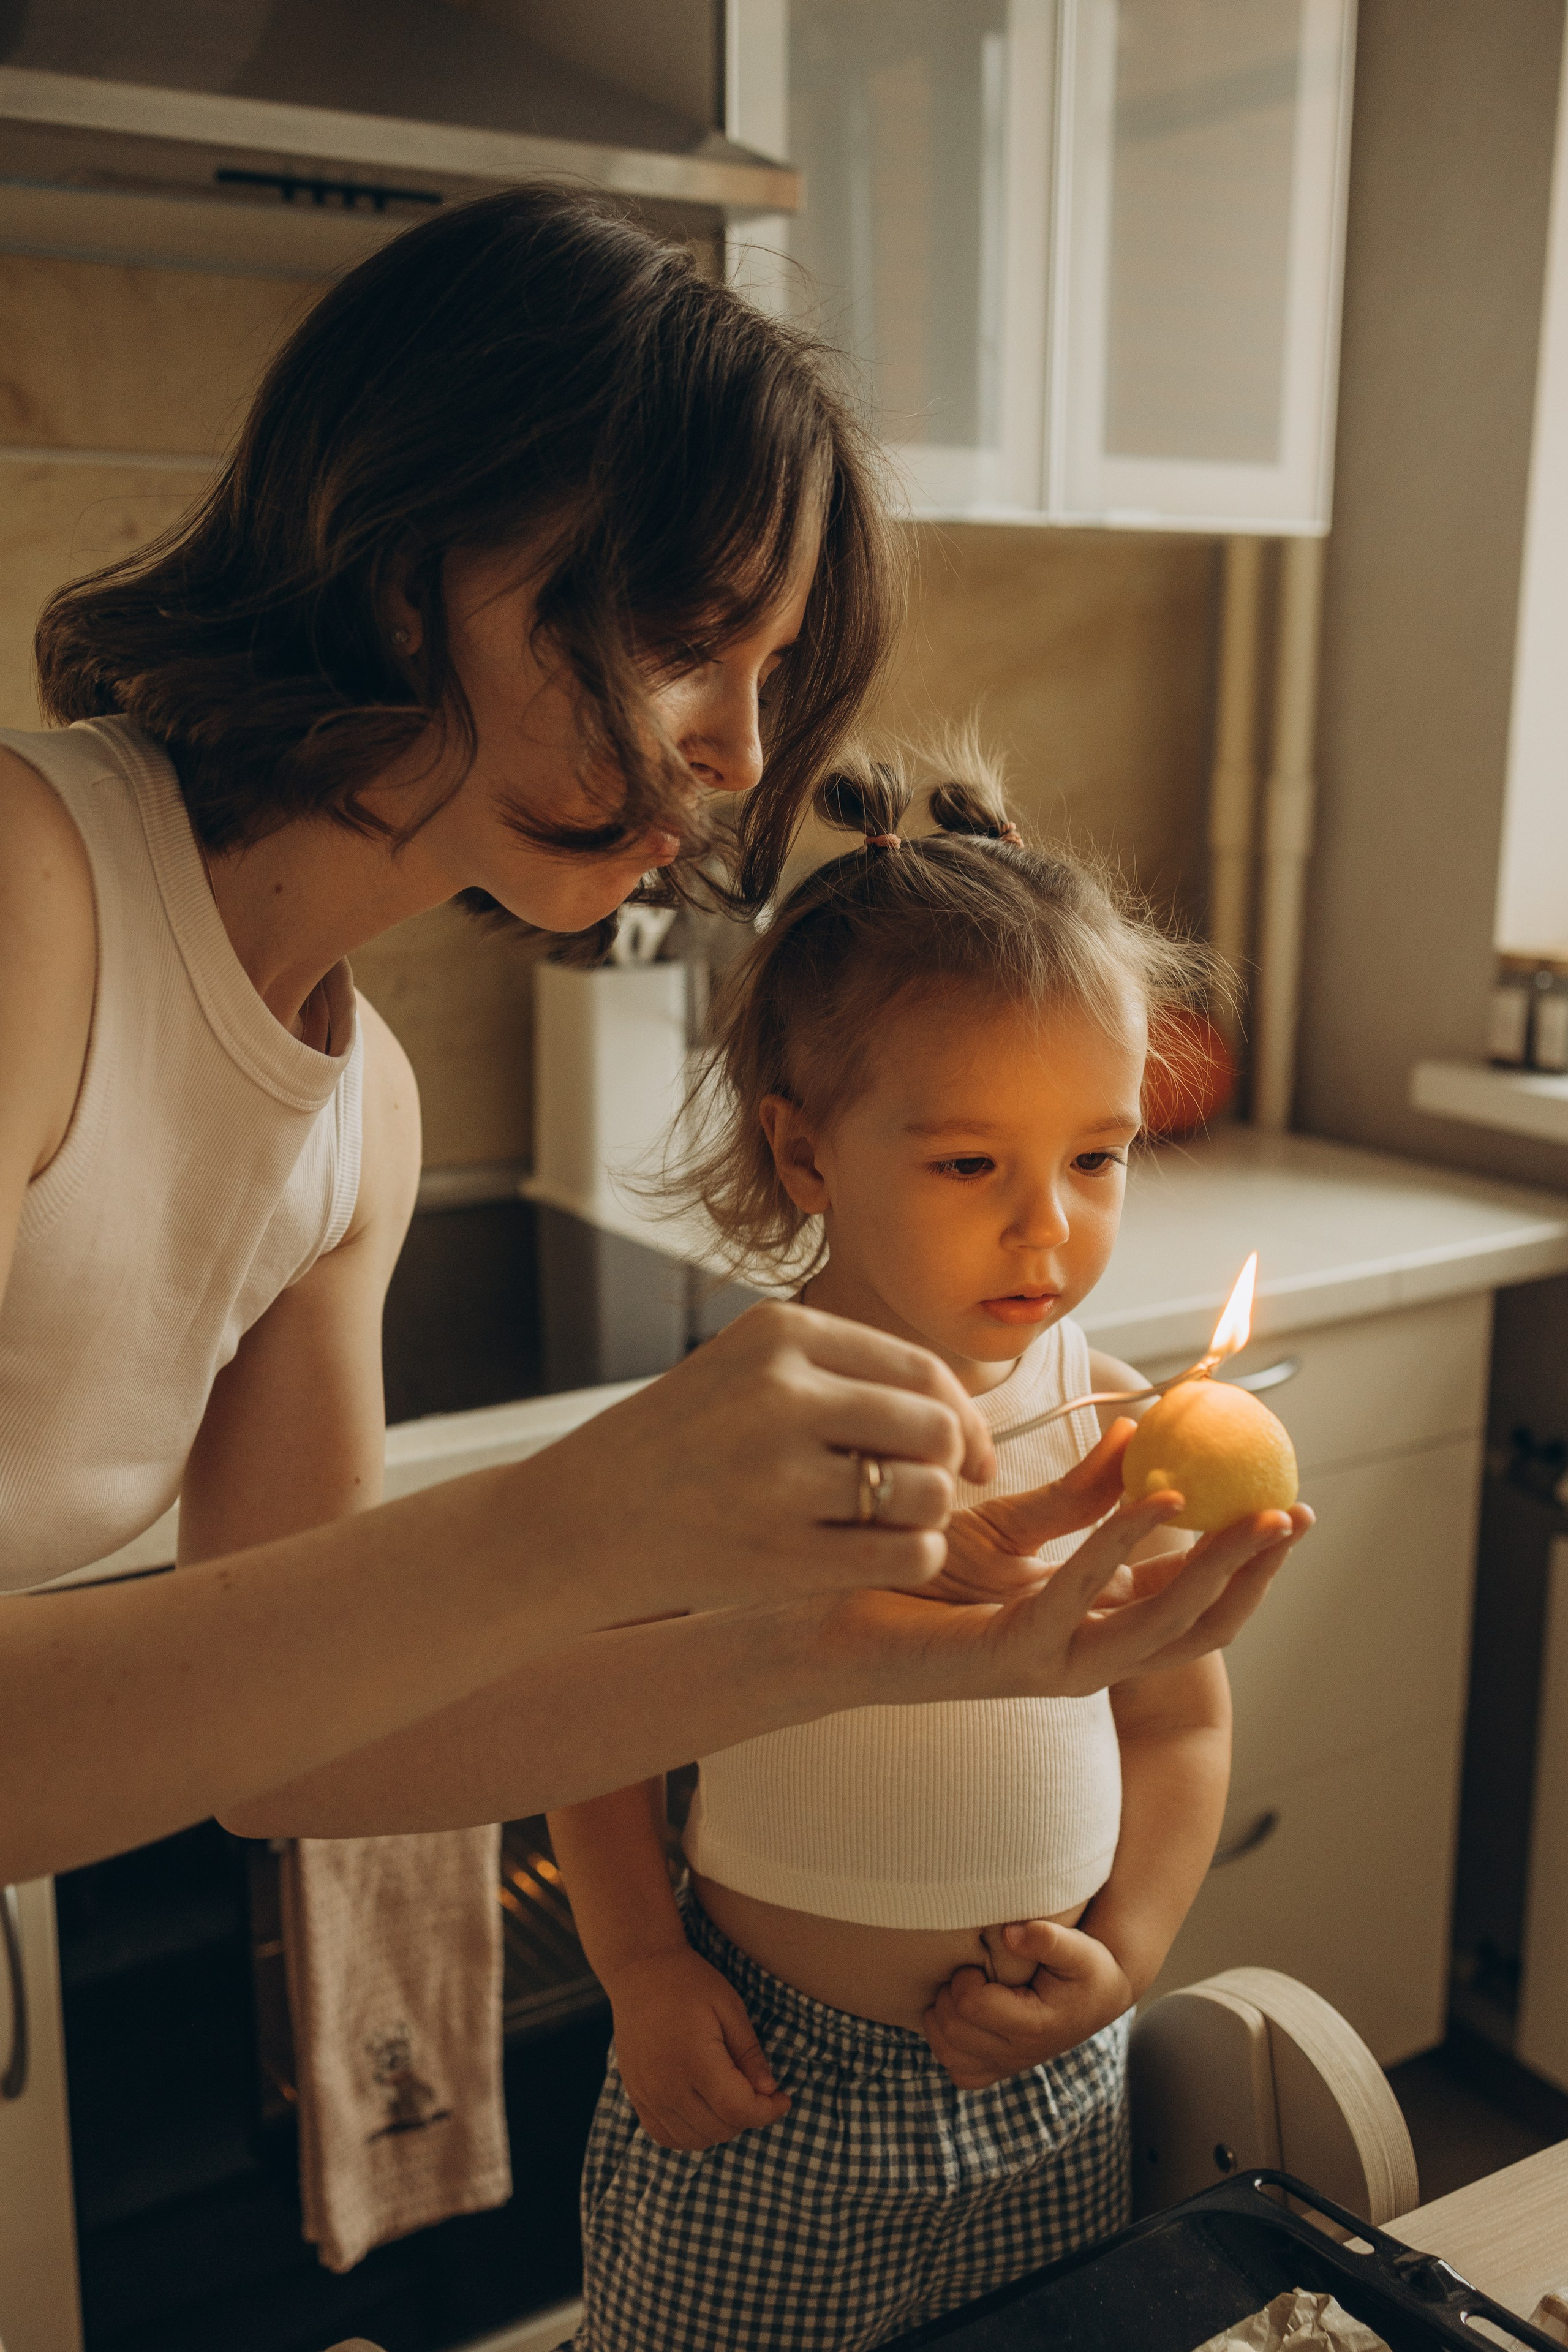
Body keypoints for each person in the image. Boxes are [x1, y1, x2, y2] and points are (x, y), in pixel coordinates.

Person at [0, 187, 1301, 1890]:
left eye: (770, 674)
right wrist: (575, 1522)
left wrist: (878, 1644)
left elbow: (297, 1761)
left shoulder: (356, 1119)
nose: (743, 755)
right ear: (408, 571)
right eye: (690, 641)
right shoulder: (34, 901)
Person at [549, 748, 1314, 2352]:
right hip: (771, 2095)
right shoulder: (737, 1427)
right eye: (973, 1164)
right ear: (807, 1152)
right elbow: (593, 1719)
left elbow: (1176, 1716)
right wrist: (636, 1961)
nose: (1049, 1230)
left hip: (1045, 2092)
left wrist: (1128, 1951)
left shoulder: (1115, 1422)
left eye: (1094, 1158)